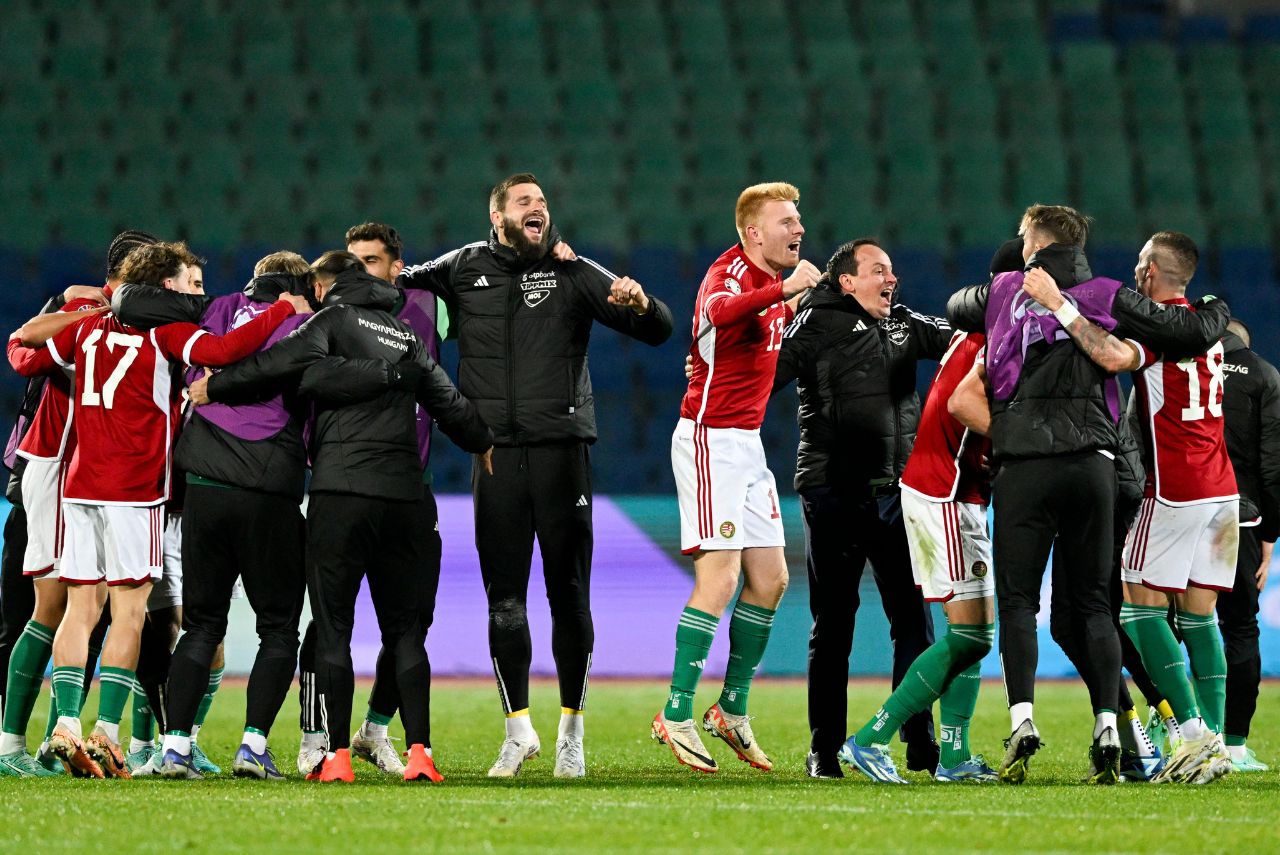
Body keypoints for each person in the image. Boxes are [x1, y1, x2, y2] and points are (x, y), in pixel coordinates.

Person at [398, 172, 674, 778]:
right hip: (494, 456)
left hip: (562, 453)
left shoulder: (574, 271)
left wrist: (642, 303)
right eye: (525, 202)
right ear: (496, 215)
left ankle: (571, 730)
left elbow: (658, 330)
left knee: (569, 593)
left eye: (544, 202)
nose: (539, 209)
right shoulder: (463, 266)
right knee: (505, 600)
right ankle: (517, 730)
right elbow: (394, 286)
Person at [189, 250, 493, 784]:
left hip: (341, 494)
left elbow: (274, 364)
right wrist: (482, 440)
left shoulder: (331, 321)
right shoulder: (407, 339)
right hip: (405, 498)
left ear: (328, 288)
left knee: (333, 628)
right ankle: (421, 754)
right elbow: (453, 406)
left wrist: (214, 386)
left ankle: (336, 757)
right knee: (405, 632)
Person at [948, 210, 1230, 784]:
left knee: (1045, 606)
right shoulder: (1111, 295)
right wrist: (1218, 309)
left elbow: (958, 306)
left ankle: (1164, 729)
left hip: (1041, 469)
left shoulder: (1007, 290)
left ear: (1036, 241)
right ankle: (1120, 729)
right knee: (1091, 613)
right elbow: (1190, 333)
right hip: (1105, 471)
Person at [13, 241, 308, 778]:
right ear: (166, 286)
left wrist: (89, 306)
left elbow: (25, 346)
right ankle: (106, 733)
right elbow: (221, 354)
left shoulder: (85, 327)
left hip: (81, 484)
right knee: (130, 613)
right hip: (137, 485)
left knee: (82, 610)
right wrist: (284, 309)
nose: (196, 294)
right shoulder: (165, 333)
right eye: (188, 284)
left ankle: (65, 726)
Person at [112, 250, 318, 780]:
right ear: (300, 283)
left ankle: (175, 746)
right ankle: (252, 747)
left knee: (201, 625)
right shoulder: (308, 319)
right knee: (278, 629)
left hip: (204, 489)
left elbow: (136, 300)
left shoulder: (216, 309)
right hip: (270, 490)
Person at [836, 241, 1030, 784]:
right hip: (944, 491)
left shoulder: (983, 334)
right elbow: (962, 405)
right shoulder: (999, 336)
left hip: (952, 488)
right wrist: (1024, 442)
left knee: (976, 633)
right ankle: (870, 738)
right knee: (971, 635)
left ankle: (952, 756)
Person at [652, 182, 817, 773]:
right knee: (719, 580)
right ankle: (675, 712)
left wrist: (796, 298)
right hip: (707, 438)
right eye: (786, 222)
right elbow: (718, 314)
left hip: (746, 446)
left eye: (799, 221)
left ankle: (732, 708)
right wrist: (784, 290)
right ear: (753, 233)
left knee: (770, 579)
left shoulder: (775, 284)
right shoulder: (727, 275)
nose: (798, 230)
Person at [774, 238, 954, 778]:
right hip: (833, 493)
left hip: (897, 495)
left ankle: (921, 746)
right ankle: (823, 751)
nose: (891, 279)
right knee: (833, 627)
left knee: (916, 625)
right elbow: (764, 374)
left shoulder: (902, 323)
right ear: (847, 281)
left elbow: (965, 341)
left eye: (893, 270)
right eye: (879, 270)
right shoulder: (815, 321)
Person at [291, 222, 447, 778]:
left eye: (372, 261)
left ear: (396, 267)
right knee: (328, 622)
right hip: (340, 484)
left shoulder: (431, 309)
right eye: (351, 262)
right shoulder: (327, 321)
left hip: (408, 487)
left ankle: (375, 731)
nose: (359, 272)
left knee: (409, 625)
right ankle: (315, 738)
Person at [0, 231, 154, 778]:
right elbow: (21, 353)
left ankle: (56, 740)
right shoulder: (85, 310)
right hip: (59, 465)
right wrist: (86, 306)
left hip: (92, 474)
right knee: (56, 606)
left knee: (90, 608)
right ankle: (11, 746)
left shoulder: (131, 318)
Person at [1217, 317, 1280, 772]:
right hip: (1239, 519)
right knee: (1239, 627)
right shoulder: (1263, 375)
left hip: (1176, 509)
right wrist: (1270, 535)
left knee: (1162, 621)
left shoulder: (1177, 364)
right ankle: (1235, 745)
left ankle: (1179, 731)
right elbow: (1273, 464)